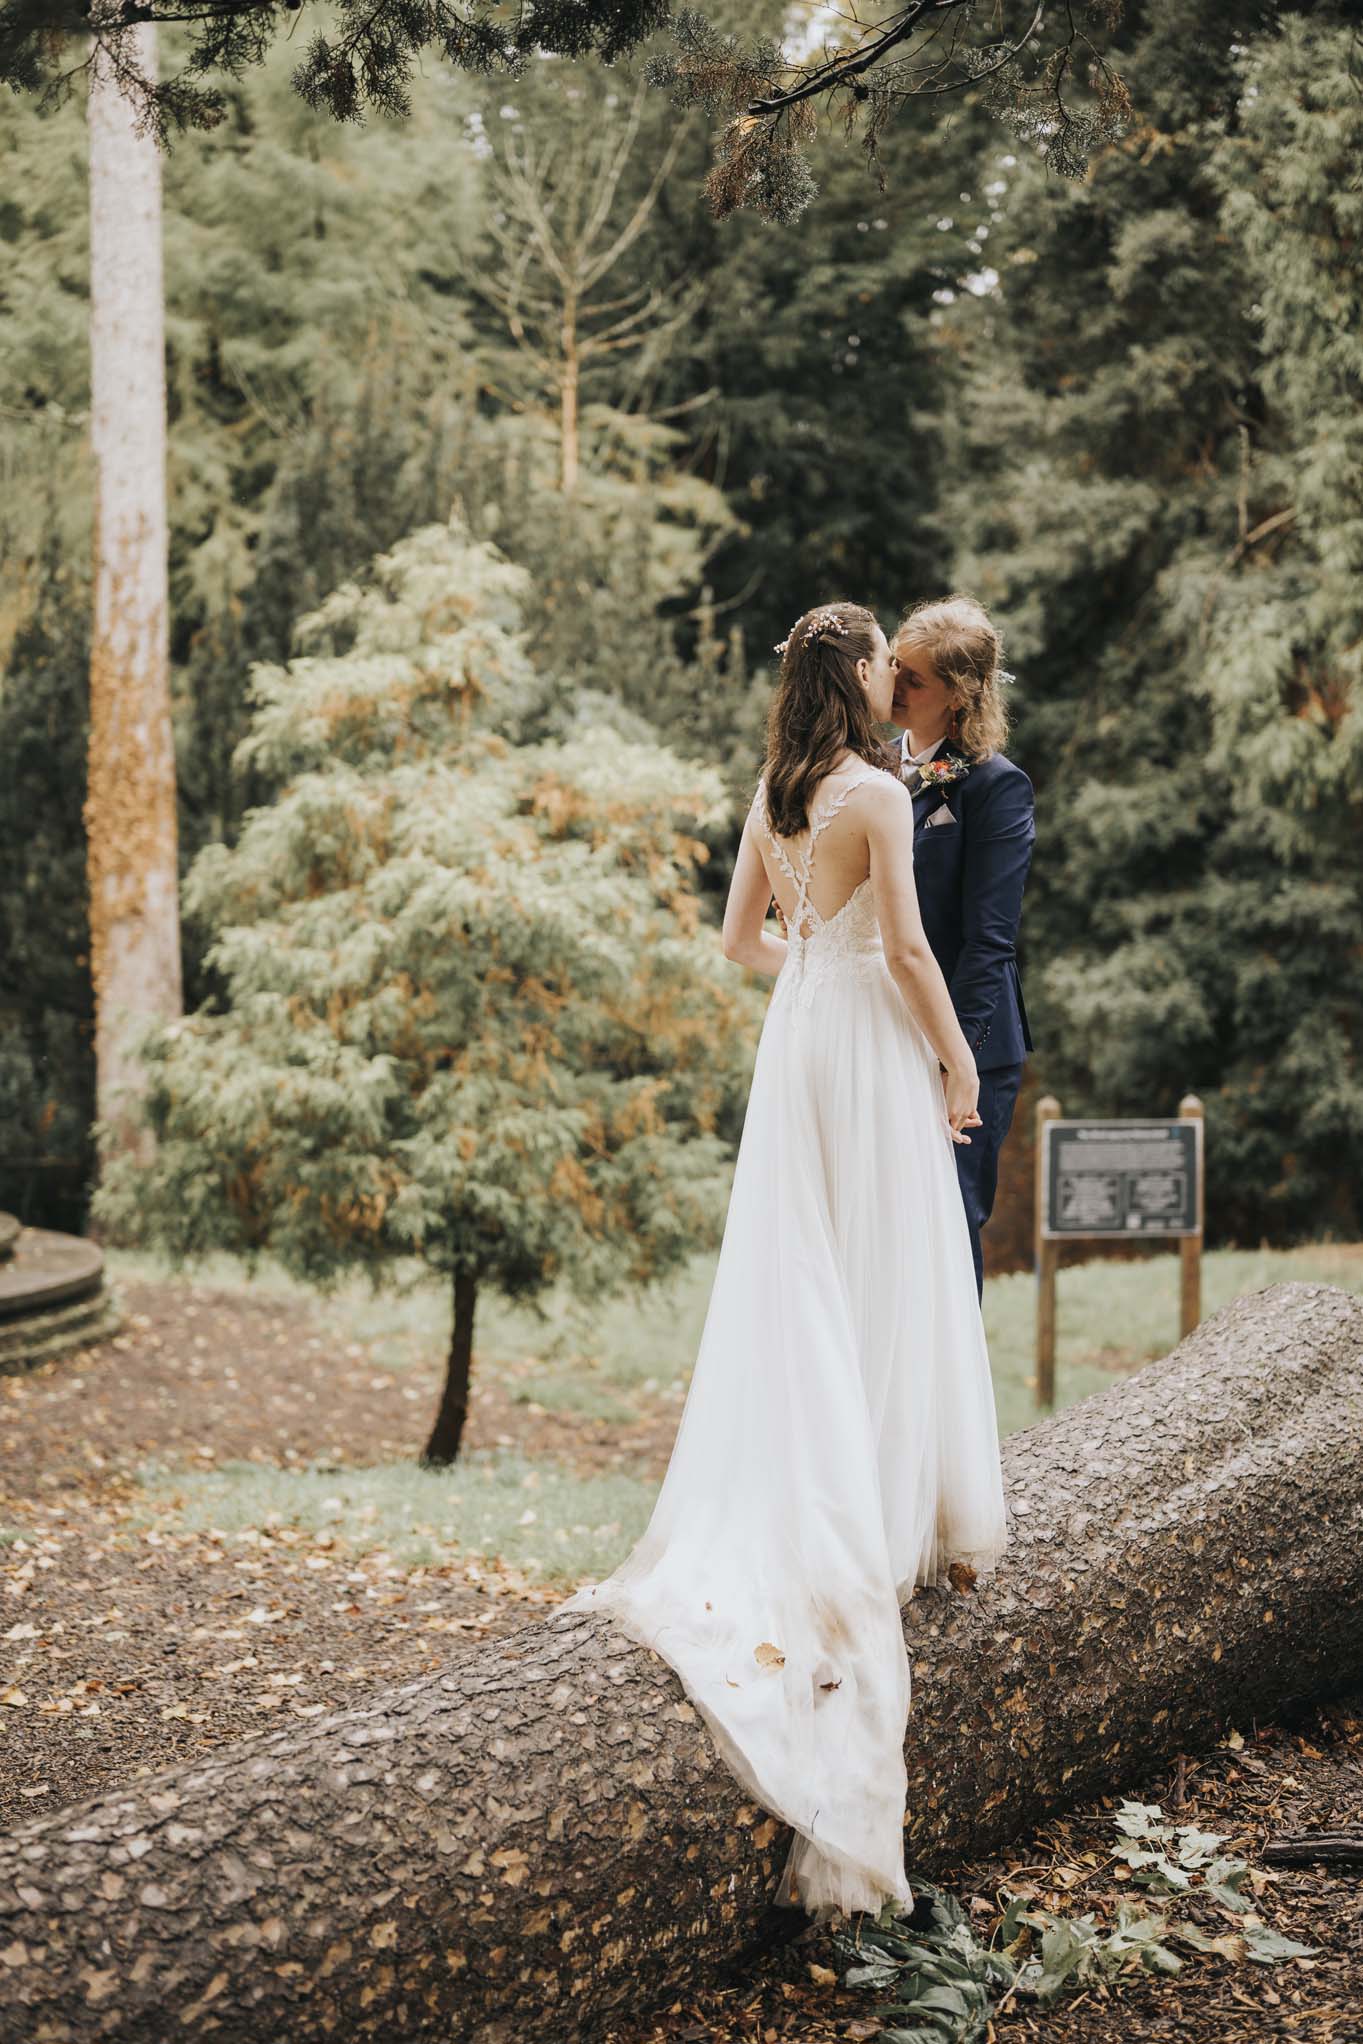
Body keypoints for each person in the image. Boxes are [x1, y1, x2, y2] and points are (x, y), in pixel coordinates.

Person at [561, 602, 1008, 1922]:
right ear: (857, 677)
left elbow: (737, 944)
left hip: (794, 1036)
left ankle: (834, 1484)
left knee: (801, 1265)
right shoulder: (872, 793)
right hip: (862, 1042)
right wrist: (952, 1054)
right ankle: (879, 1505)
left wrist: (813, 965)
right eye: (880, 658)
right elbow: (918, 951)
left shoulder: (774, 792)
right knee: (877, 1262)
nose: (891, 673)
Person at [889, 597, 1035, 1296]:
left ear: (959, 694)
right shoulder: (866, 772)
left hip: (969, 1036)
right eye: (891, 667)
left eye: (912, 679)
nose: (893, 687)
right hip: (880, 1027)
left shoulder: (994, 788)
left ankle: (956, 1405)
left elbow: (989, 942)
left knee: (948, 1217)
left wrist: (957, 1057)